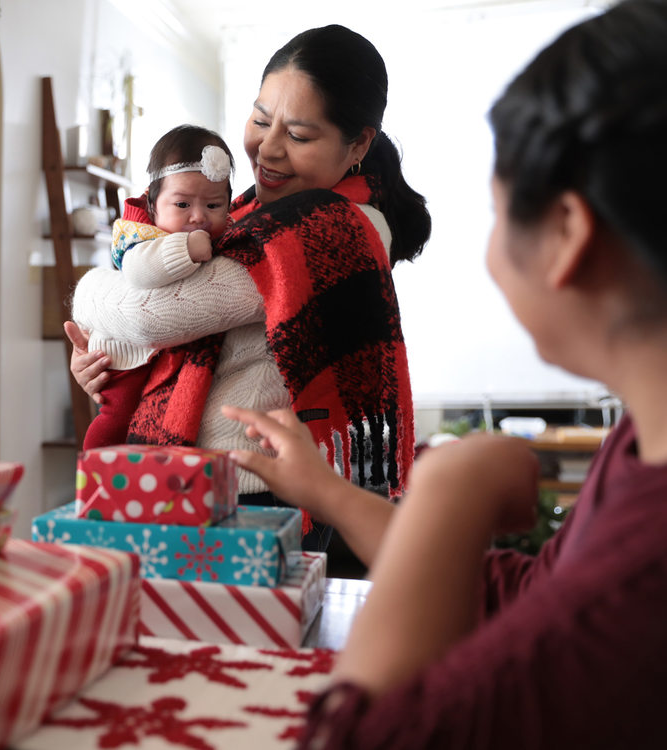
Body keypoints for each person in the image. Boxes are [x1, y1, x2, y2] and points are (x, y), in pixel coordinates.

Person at [224, 1, 667, 745]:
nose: (269, 147)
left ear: (566, 235)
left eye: (496, 212)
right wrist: (330, 490)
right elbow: (530, 595)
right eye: (262, 120)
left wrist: (447, 492)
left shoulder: (641, 575)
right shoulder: (637, 449)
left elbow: (369, 734)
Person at [66, 24, 431, 551]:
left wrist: (92, 296)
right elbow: (147, 320)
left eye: (300, 136)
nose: (268, 150)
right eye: (261, 119)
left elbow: (151, 313)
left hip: (255, 492)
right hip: (189, 479)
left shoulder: (337, 226)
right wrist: (111, 360)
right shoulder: (239, 217)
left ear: (358, 144)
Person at [77, 124, 234, 450]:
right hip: (125, 354)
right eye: (182, 205)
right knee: (116, 419)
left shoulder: (230, 239)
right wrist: (186, 249)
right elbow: (138, 272)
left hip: (158, 352)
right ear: (152, 205)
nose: (198, 217)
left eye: (214, 206)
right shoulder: (143, 237)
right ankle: (97, 471)